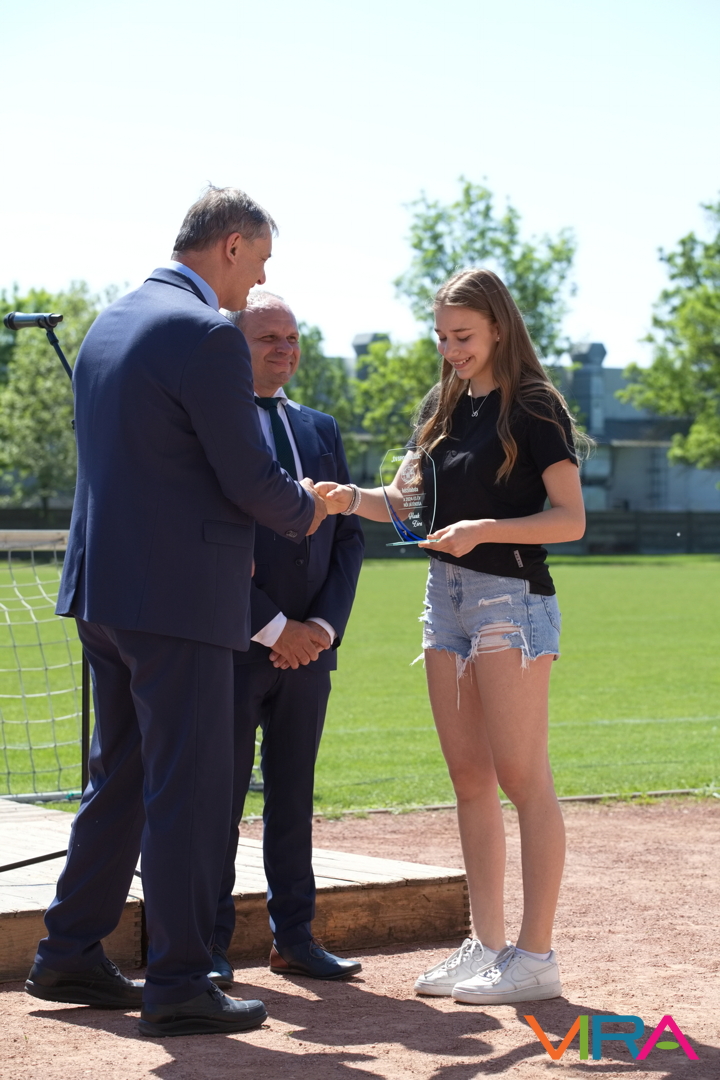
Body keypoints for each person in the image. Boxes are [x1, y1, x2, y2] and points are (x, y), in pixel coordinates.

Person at [25, 187, 330, 1038]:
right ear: (230, 245)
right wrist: (317, 508)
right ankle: (181, 981)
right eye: (259, 262)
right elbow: (249, 477)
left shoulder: (110, 321)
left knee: (120, 780)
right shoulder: (206, 334)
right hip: (181, 601)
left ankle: (69, 952)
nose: (256, 281)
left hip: (105, 593)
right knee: (188, 794)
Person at [316, 268, 587, 1006]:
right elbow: (403, 505)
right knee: (469, 778)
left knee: (523, 779)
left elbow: (569, 519)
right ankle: (487, 946)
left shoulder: (535, 407)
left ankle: (536, 957)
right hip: (445, 601)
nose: (450, 349)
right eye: (441, 337)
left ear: (498, 326)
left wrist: (482, 530)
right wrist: (347, 499)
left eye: (462, 335)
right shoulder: (440, 408)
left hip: (510, 600)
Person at [208, 293, 364, 986]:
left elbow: (348, 537)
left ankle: (294, 938)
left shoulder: (320, 428)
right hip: (233, 644)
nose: (285, 348)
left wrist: (321, 630)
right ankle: (209, 947)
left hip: (310, 654)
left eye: (293, 337)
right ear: (233, 347)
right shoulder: (213, 425)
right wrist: (274, 628)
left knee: (295, 797)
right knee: (219, 800)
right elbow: (210, 543)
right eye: (267, 337)